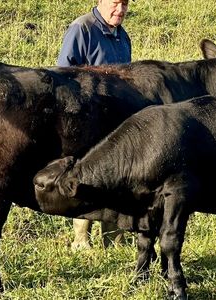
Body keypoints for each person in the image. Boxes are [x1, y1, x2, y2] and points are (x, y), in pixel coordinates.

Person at [56, 0, 131, 249]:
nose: (120, 10)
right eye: (115, 3)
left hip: (116, 120)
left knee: (116, 177)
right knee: (85, 177)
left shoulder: (123, 36)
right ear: (99, 1)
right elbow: (62, 74)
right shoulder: (82, 29)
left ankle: (114, 239)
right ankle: (81, 240)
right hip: (87, 119)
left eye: (125, 4)